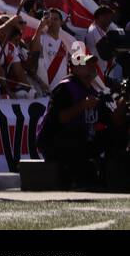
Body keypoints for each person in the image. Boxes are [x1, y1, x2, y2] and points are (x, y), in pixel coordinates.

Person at [37, 48, 127, 188]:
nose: (91, 67)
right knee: (76, 139)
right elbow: (57, 119)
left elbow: (113, 120)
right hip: (55, 142)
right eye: (86, 64)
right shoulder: (65, 88)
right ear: (74, 69)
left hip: (82, 140)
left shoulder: (93, 90)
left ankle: (115, 175)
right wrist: (82, 106)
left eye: (92, 63)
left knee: (115, 133)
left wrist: (123, 101)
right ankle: (82, 177)